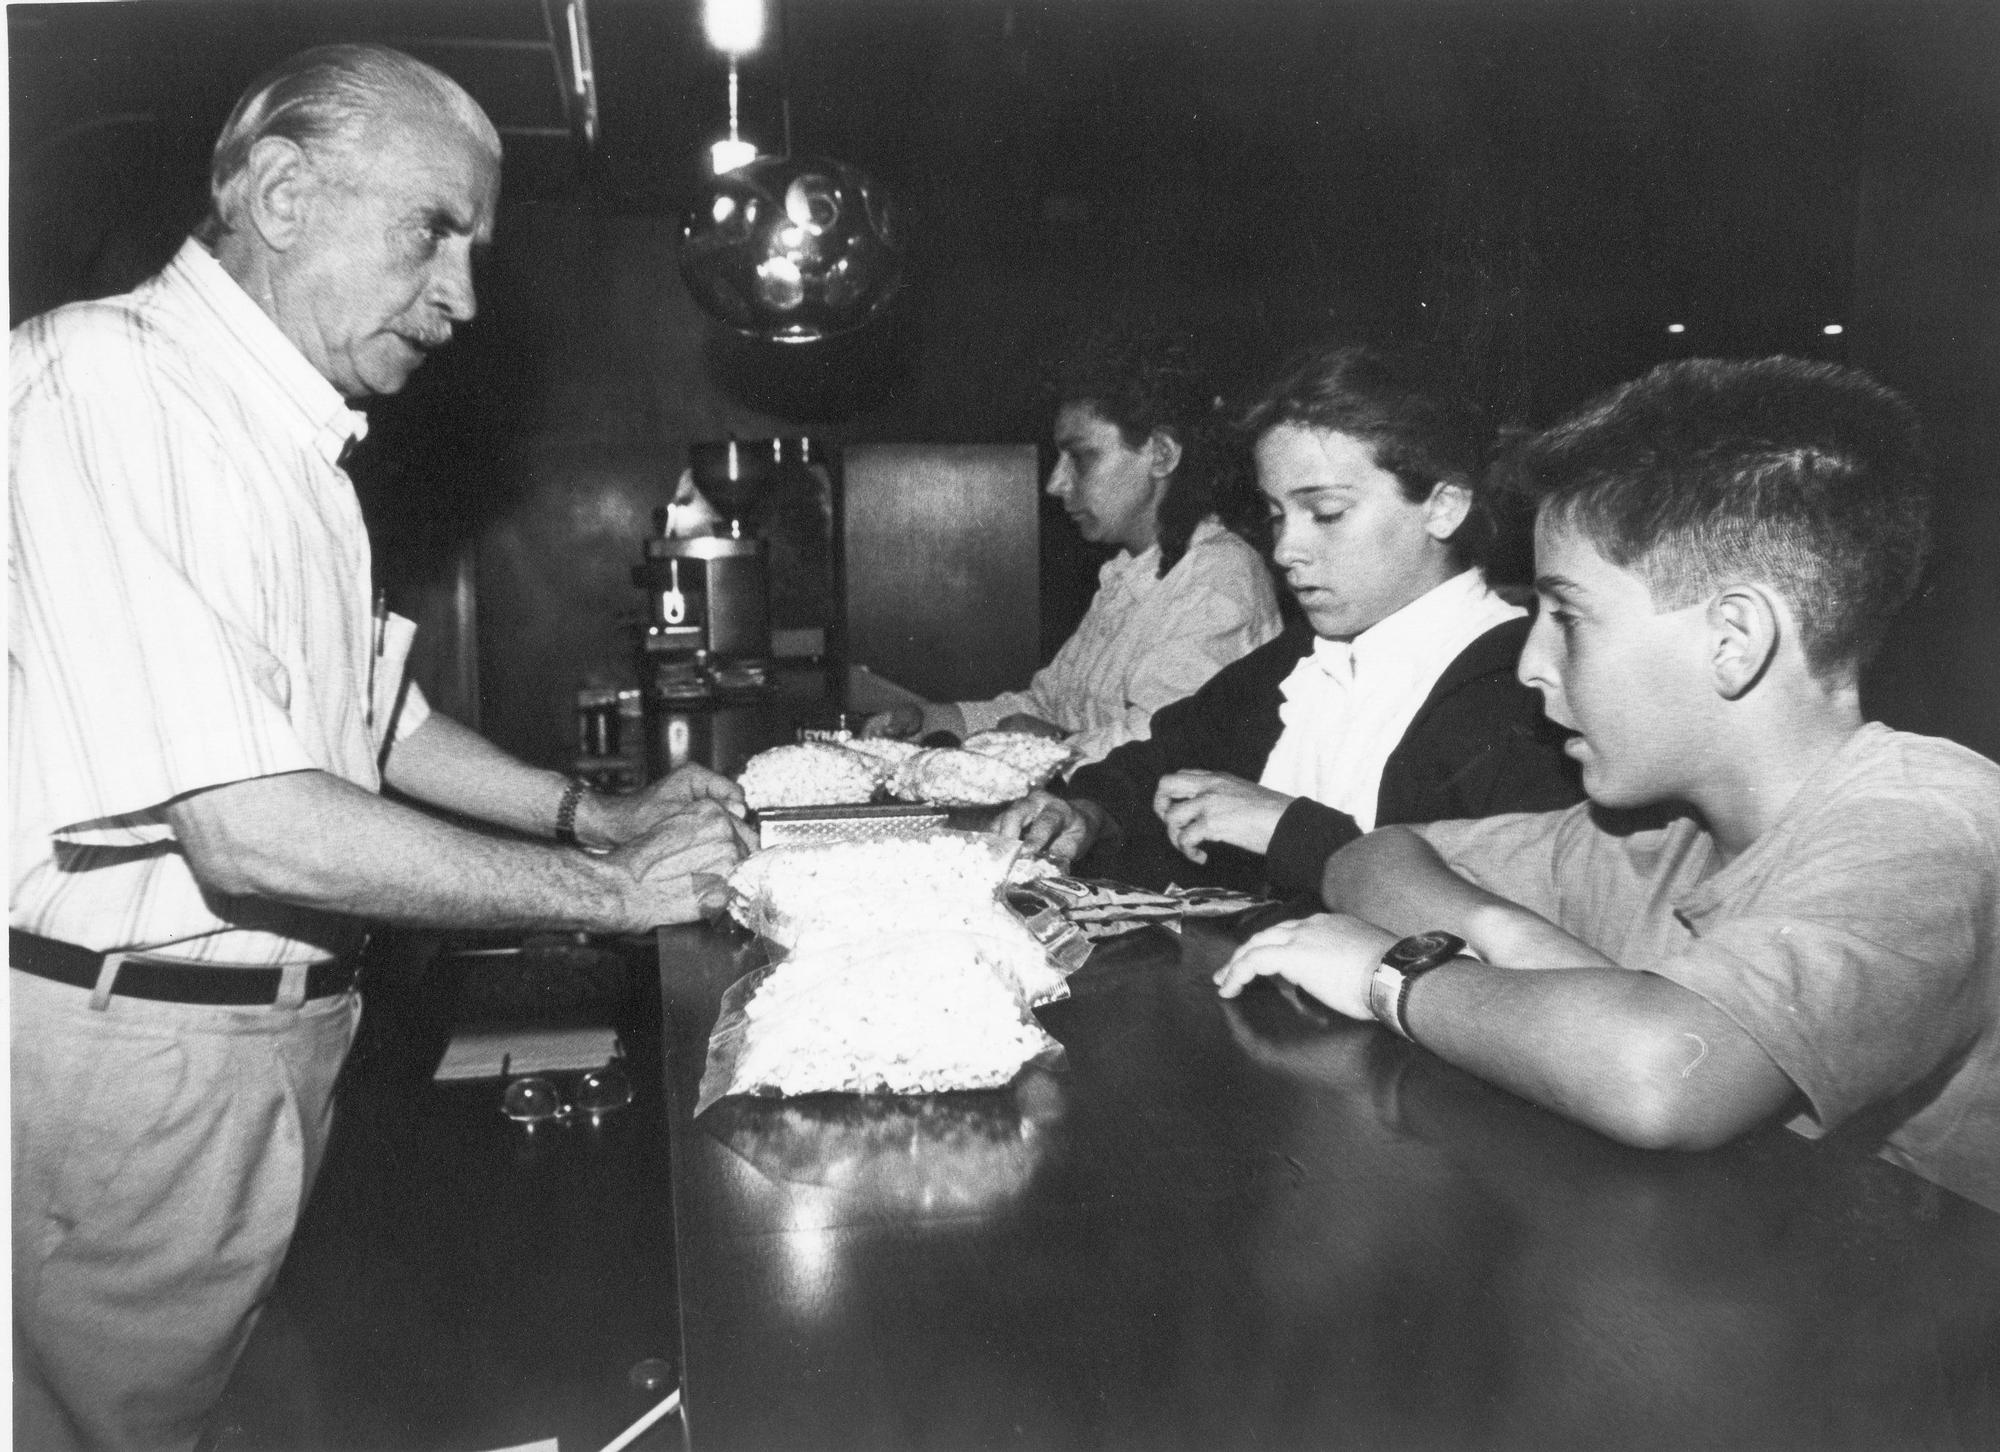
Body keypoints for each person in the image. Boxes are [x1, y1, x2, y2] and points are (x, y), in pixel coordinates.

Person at [9, 45, 757, 1451]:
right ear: (283, 192)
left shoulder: (290, 441)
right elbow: (248, 817)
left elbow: (375, 725)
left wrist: (592, 818)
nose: (465, 297)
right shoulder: (112, 387)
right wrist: (610, 900)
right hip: (125, 1064)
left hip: (264, 1049)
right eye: (436, 230)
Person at [1215, 356, 2000, 1213]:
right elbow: (1370, 861)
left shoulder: (1930, 824)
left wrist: (1395, 978)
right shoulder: (1658, 833)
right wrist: (1514, 940)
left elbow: (1661, 1075)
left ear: (1733, 641)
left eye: (1569, 618)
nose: (1530, 663)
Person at [999, 342, 1579, 895]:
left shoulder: (1518, 691)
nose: (1284, 551)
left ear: (1444, 508)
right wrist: (1085, 813)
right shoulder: (1303, 656)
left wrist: (1285, 829)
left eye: (1326, 513)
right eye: (1278, 515)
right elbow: (1160, 756)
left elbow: (1489, 903)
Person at [863, 323, 1282, 766]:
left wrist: (1055, 745)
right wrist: (929, 720)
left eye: (1080, 457)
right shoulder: (1132, 572)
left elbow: (1161, 752)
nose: (1055, 484)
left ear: (1160, 454)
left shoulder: (1218, 581)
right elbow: (1044, 707)